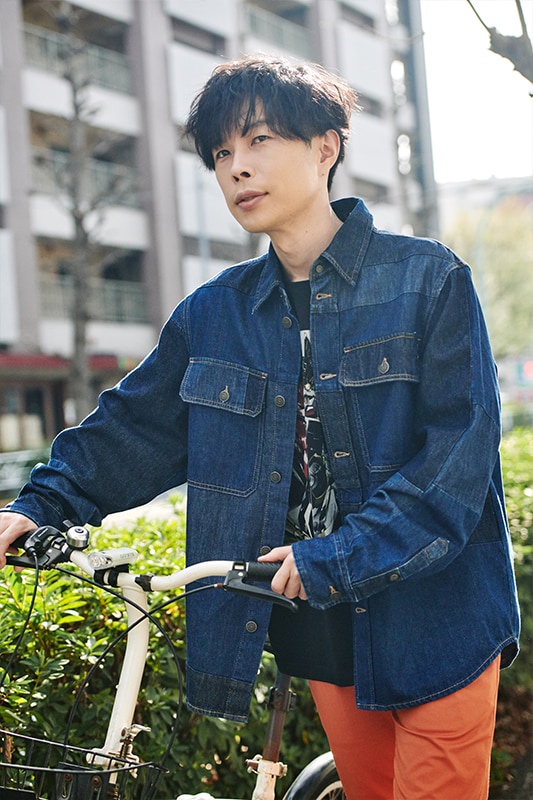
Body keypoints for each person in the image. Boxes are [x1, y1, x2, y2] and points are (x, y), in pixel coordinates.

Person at [0, 54, 520, 799]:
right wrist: (39, 505)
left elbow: (454, 466)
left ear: (325, 147)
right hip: (318, 622)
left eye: (259, 140)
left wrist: (337, 556)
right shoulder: (215, 313)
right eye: (220, 153)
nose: (236, 167)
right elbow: (133, 428)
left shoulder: (428, 280)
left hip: (435, 620)